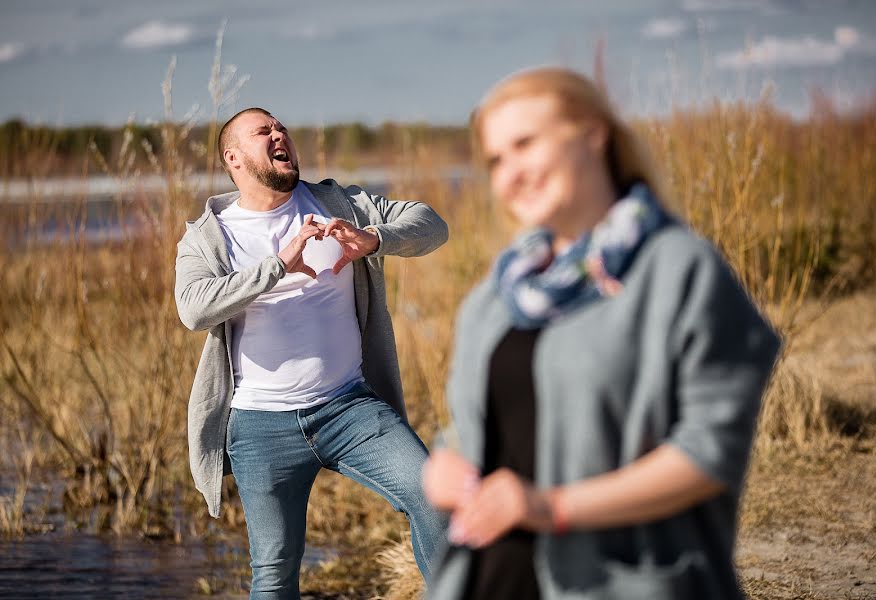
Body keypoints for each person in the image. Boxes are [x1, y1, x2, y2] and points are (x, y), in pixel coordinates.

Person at [422, 67, 781, 599]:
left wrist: (552, 507)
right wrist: (439, 470)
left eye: (525, 144)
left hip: (622, 584)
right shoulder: (498, 294)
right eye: (497, 159)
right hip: (486, 581)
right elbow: (475, 430)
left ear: (593, 132)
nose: (510, 173)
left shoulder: (678, 269)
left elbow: (710, 453)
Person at [174, 107, 448, 599]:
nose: (279, 135)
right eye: (264, 132)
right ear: (233, 158)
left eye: (281, 128)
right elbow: (193, 309)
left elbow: (431, 225)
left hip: (350, 407)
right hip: (260, 425)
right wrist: (277, 266)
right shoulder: (211, 235)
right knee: (275, 573)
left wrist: (374, 240)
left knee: (434, 497)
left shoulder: (338, 203)